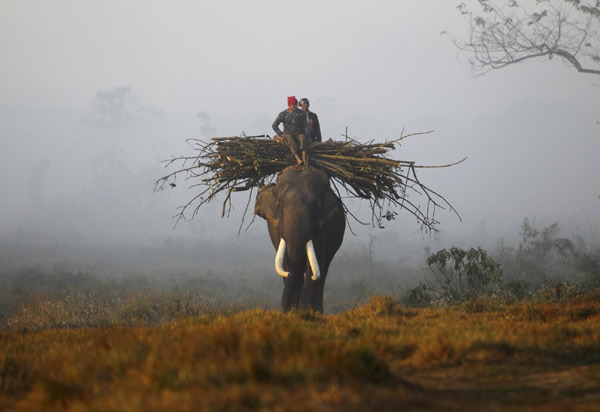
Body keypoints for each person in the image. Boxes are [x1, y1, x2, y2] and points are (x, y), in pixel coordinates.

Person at [272, 96, 308, 165]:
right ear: (289, 105)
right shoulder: (283, 114)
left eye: (296, 104)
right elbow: (274, 125)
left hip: (298, 133)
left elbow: (306, 125)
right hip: (288, 133)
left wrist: (306, 134)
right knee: (289, 139)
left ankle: (304, 158)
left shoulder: (301, 113)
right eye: (294, 104)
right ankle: (298, 159)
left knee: (303, 138)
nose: (296, 106)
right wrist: (281, 134)